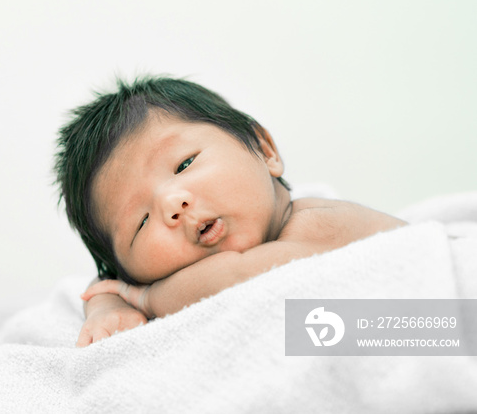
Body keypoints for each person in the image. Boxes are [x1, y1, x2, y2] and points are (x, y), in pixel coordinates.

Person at [53, 76, 406, 347]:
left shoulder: (321, 222)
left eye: (184, 164)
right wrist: (109, 307)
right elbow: (105, 285)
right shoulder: (143, 279)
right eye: (140, 222)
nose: (172, 204)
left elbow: (237, 278)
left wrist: (146, 298)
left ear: (265, 150)